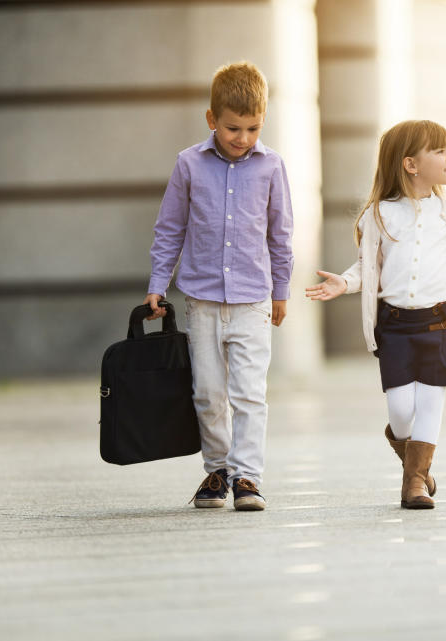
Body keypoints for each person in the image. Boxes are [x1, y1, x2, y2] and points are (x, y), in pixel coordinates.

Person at [306, 120, 446, 509]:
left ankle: (414, 484)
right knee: (402, 412)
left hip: (441, 323)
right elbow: (366, 268)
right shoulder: (379, 215)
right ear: (410, 164)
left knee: (429, 402)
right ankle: (416, 463)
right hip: (395, 326)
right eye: (439, 150)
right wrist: (344, 282)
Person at [144, 61, 294, 512]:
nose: (242, 138)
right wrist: (157, 283)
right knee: (207, 394)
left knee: (249, 393)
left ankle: (247, 477)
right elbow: (170, 228)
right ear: (212, 119)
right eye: (233, 128)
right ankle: (217, 471)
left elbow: (280, 234)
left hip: (252, 301)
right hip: (202, 300)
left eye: (252, 128)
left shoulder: (272, 167)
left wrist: (280, 291)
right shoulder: (189, 164)